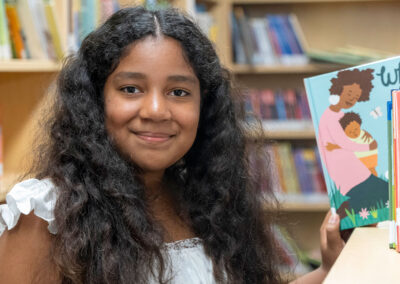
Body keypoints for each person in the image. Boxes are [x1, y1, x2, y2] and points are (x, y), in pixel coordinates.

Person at [0, 6, 344, 284]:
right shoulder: (46, 213)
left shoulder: (206, 202)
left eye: (179, 92)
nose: (155, 111)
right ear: (95, 100)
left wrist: (326, 272)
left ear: (203, 107)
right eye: (130, 89)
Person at [318, 68, 388, 218]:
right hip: (346, 170)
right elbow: (345, 142)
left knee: (384, 190)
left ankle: (347, 209)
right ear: (338, 89)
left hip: (353, 164)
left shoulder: (341, 114)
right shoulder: (330, 117)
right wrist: (369, 146)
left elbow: (345, 141)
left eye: (356, 97)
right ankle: (345, 211)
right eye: (349, 93)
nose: (352, 99)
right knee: (382, 193)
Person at [339, 111, 378, 176]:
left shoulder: (364, 133)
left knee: (372, 171)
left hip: (370, 158)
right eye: (350, 132)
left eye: (356, 129)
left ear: (359, 125)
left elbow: (373, 143)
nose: (354, 133)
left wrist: (373, 143)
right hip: (358, 161)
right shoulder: (346, 140)